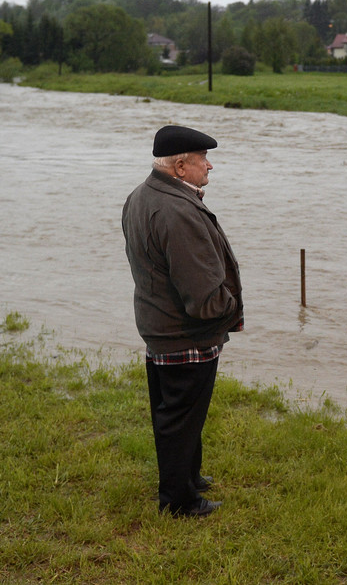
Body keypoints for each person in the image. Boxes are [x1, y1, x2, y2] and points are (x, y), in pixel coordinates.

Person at [121, 125, 243, 518]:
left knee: (181, 413)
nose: (210, 166)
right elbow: (202, 293)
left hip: (160, 325)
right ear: (179, 166)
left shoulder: (141, 195)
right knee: (179, 418)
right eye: (202, 159)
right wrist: (228, 309)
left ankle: (188, 479)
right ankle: (179, 501)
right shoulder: (177, 210)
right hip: (184, 333)